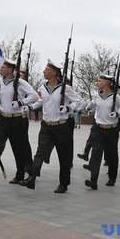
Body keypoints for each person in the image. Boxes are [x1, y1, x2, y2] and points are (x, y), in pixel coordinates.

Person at [22, 60, 83, 194]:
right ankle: (32, 178)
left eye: (46, 69)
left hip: (61, 126)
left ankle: (64, 183)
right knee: (40, 153)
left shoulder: (65, 88)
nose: (44, 71)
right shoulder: (43, 87)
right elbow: (41, 100)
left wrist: (68, 107)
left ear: (54, 73)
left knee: (64, 157)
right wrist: (30, 107)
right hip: (46, 126)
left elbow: (79, 102)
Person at [0, 59, 39, 184]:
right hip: (2, 118)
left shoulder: (20, 82)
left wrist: (21, 102)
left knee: (18, 148)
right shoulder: (0, 82)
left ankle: (20, 173)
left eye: (3, 67)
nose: (1, 69)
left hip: (17, 119)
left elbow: (34, 96)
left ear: (10, 69)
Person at [83, 74, 120, 190]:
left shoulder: (116, 97)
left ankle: (112, 178)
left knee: (111, 155)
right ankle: (93, 180)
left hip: (111, 130)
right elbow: (92, 107)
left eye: (99, 81)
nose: (97, 83)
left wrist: (118, 114)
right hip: (98, 128)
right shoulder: (97, 96)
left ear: (106, 83)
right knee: (95, 154)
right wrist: (89, 106)